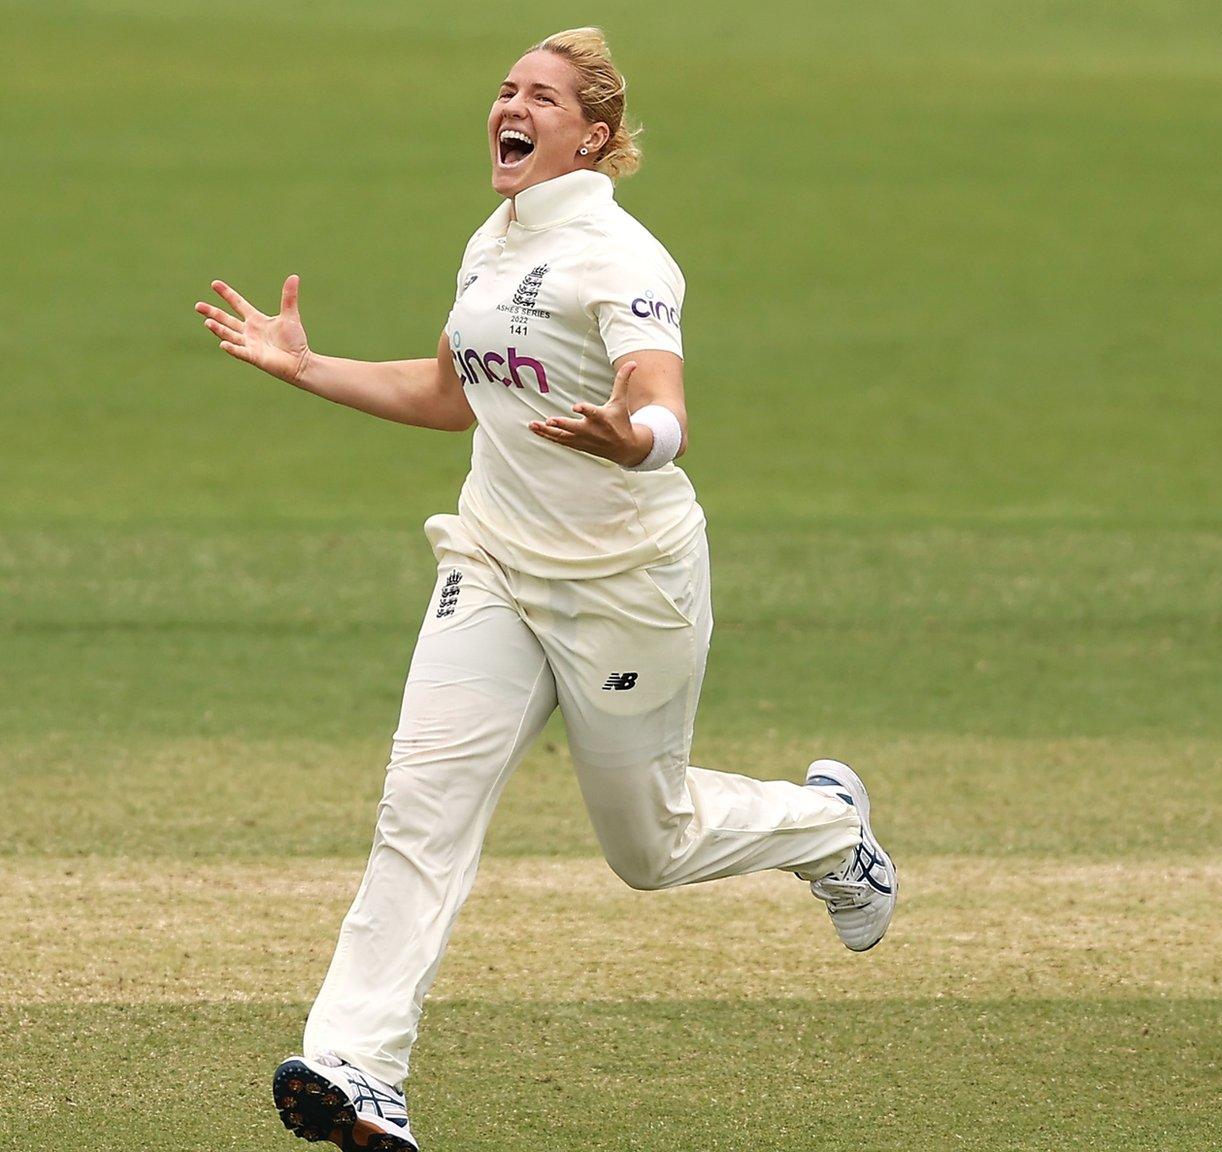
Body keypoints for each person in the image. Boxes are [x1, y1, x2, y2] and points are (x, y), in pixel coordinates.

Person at [193, 28, 898, 1151]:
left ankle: (826, 829)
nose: (509, 107)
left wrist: (640, 442)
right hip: (494, 565)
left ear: (594, 135)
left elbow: (656, 389)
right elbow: (445, 394)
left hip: (625, 585)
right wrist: (306, 366)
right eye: (505, 88)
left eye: (542, 97)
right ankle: (356, 1069)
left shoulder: (621, 260)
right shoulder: (494, 239)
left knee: (649, 848)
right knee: (418, 814)